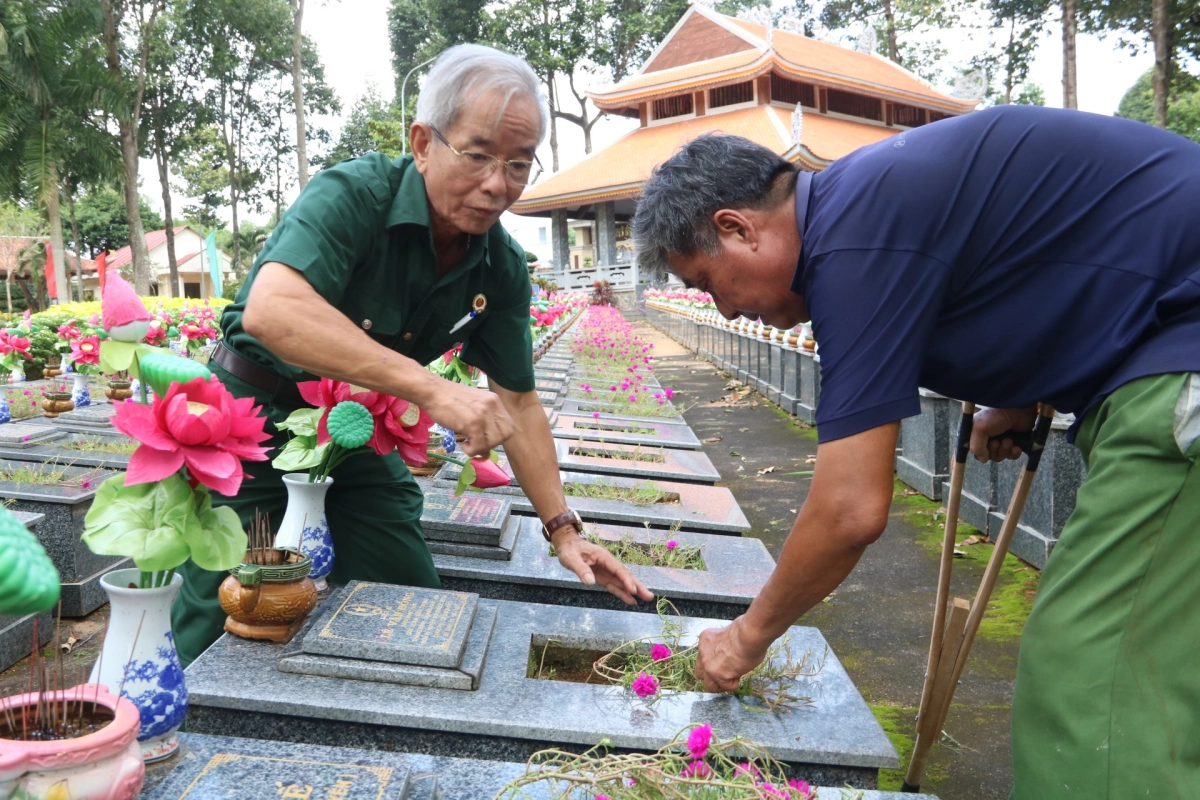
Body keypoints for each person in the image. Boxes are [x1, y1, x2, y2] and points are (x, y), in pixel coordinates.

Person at [632, 106, 1200, 798]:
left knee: (1091, 666)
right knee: (1161, 663)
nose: (720, 310)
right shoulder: (861, 207)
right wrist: (1022, 396)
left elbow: (850, 510)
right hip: (1161, 343)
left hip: (1181, 363)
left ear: (737, 227)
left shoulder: (853, 244)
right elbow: (1051, 255)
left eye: (705, 283)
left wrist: (747, 638)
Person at [174, 44, 652, 667]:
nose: (495, 184)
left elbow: (520, 402)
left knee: (409, 603)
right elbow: (275, 310)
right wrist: (435, 391)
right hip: (248, 423)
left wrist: (563, 529)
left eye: (517, 164)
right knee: (228, 607)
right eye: (478, 155)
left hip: (351, 439)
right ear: (424, 142)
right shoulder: (352, 196)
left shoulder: (499, 267)